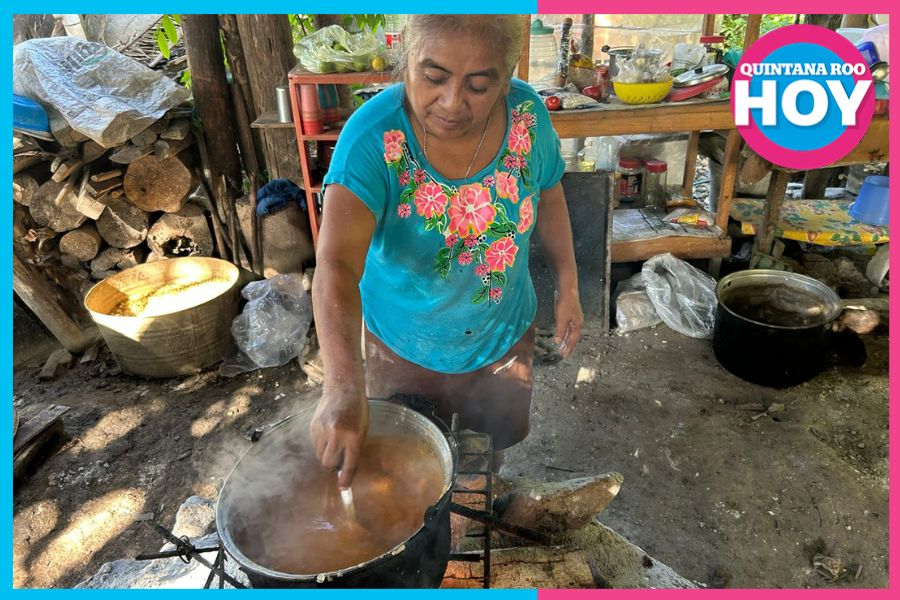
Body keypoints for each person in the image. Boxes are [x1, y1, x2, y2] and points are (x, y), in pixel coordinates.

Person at [310, 14, 583, 488]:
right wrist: (341, 386)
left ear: (506, 78)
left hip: (502, 337)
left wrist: (569, 286)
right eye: (434, 77)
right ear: (406, 60)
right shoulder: (372, 139)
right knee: (407, 477)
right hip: (406, 347)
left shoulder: (527, 118)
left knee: (480, 469)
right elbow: (335, 264)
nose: (452, 103)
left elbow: (550, 193)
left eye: (478, 86)